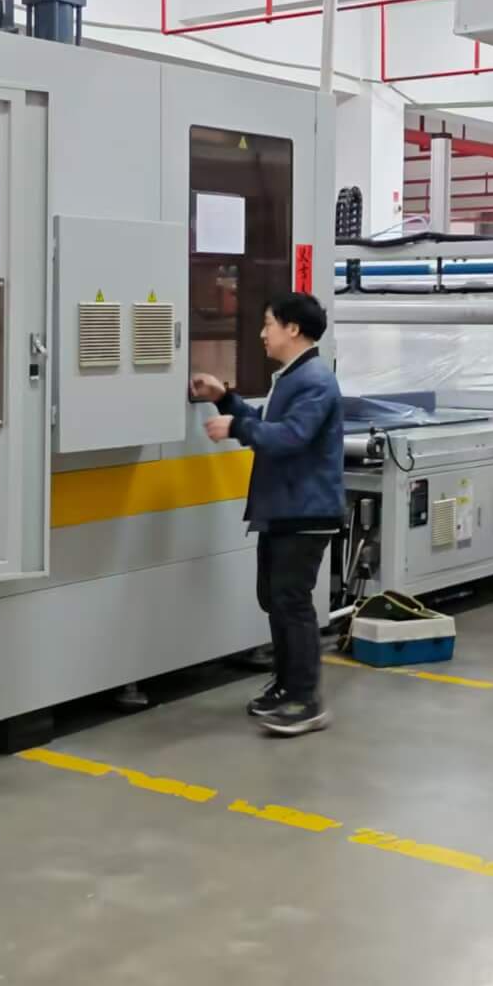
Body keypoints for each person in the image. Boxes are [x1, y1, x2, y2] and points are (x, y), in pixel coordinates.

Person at [190, 292, 343, 738]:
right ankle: (286, 686)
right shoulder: (294, 376)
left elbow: (291, 437)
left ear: (293, 329)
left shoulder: (314, 379)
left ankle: (306, 699)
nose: (262, 333)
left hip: (305, 510)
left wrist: (236, 427)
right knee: (275, 599)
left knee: (292, 603)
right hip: (284, 509)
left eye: (268, 324)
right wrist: (227, 400)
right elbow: (274, 425)